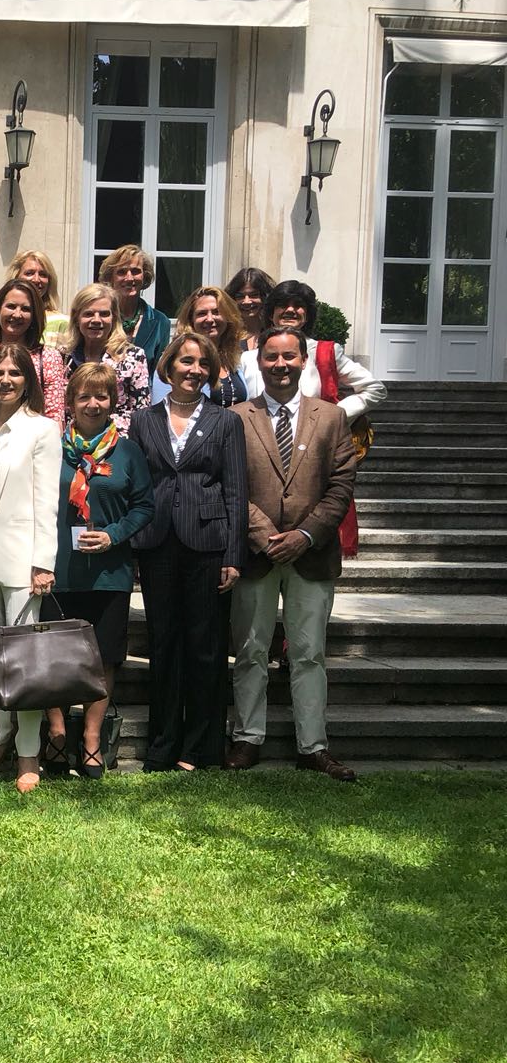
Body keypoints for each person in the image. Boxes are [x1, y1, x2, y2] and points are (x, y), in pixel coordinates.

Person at [227, 326, 358, 781]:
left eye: (289, 357)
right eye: (271, 357)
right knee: (250, 650)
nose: (280, 365)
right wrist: (265, 534)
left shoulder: (333, 417)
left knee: (309, 654)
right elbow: (231, 485)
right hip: (257, 554)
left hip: (312, 555)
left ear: (304, 361)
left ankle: (313, 746)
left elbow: (341, 485)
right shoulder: (236, 417)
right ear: (258, 363)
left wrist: (304, 535)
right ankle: (246, 738)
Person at [127, 333, 248, 773]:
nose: (194, 370)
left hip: (208, 544)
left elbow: (236, 490)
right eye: (186, 361)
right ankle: (162, 746)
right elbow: (137, 485)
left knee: (206, 647)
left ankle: (200, 748)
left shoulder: (225, 421)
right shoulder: (144, 420)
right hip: (158, 542)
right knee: (164, 644)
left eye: (203, 364)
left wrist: (234, 555)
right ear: (169, 366)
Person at [38, 363, 154, 778]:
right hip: (58, 571)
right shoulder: (52, 449)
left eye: (101, 396)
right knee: (53, 656)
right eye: (84, 396)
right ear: (70, 402)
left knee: (104, 657)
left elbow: (145, 506)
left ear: (113, 402)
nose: (93, 403)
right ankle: (55, 730)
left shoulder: (127, 451)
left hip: (109, 572)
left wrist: (113, 535)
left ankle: (90, 737)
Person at [0, 343, 63, 792]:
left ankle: (28, 754)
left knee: (24, 662)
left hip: (24, 560)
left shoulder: (41, 430)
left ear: (28, 381)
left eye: (15, 374)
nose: (5, 380)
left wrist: (44, 562)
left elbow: (47, 501)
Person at [238, 279, 384, 557]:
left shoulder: (325, 351)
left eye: (299, 306)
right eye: (283, 305)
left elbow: (375, 388)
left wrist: (332, 416)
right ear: (271, 312)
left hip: (310, 454)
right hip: (261, 453)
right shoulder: (248, 357)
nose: (291, 310)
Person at [61, 283, 151, 434]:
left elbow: (141, 412)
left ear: (114, 317)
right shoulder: (63, 358)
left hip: (117, 443)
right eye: (88, 314)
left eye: (104, 314)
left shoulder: (133, 357)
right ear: (77, 318)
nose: (96, 320)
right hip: (70, 445)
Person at [0, 277, 69, 424]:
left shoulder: (48, 357)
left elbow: (54, 416)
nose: (17, 314)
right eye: (11, 306)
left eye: (25, 309)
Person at [152, 287, 249, 408]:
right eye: (202, 313)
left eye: (216, 312)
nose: (209, 319)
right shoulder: (172, 360)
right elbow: (161, 412)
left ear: (228, 317)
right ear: (191, 319)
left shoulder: (234, 359)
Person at [98, 245, 171, 369]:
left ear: (145, 276)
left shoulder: (160, 322)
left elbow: (159, 372)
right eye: (121, 272)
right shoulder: (101, 317)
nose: (129, 278)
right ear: (111, 278)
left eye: (135, 271)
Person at [4, 249, 70, 347]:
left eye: (43, 275)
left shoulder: (62, 322)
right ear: (16, 277)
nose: (36, 279)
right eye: (29, 273)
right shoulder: (4, 317)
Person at [224, 267, 275, 352]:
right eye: (240, 296)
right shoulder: (226, 333)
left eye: (254, 295)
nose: (246, 301)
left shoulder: (276, 332)